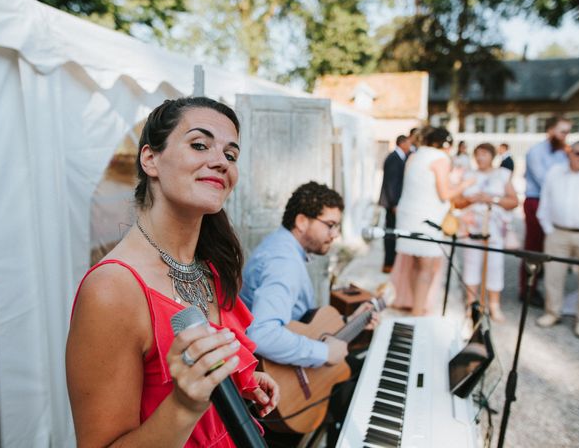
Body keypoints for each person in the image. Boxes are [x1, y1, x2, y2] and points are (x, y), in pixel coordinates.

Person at [66, 97, 279, 448]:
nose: (220, 162)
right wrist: (184, 404)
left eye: (231, 154)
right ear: (150, 159)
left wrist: (243, 379)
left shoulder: (210, 266)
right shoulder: (112, 290)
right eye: (200, 144)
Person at [240, 181, 379, 447]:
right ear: (302, 221)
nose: (335, 234)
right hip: (280, 387)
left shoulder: (284, 249)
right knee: (361, 380)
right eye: (330, 224)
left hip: (288, 375)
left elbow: (303, 324)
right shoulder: (284, 264)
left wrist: (352, 323)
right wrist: (325, 353)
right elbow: (262, 334)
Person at [391, 127, 475, 315]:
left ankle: (415, 305)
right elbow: (444, 194)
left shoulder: (415, 155)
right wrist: (465, 184)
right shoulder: (440, 159)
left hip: (408, 215)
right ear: (446, 145)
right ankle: (417, 311)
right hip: (427, 219)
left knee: (414, 263)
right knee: (426, 269)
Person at [536, 140, 579, 339]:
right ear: (570, 152)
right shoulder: (555, 171)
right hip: (557, 232)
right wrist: (548, 229)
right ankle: (553, 312)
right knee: (553, 276)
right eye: (578, 153)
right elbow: (545, 202)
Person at [458, 143, 518, 322]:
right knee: (471, 265)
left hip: (494, 229)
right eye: (477, 154)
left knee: (494, 266)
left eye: (484, 154)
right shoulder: (469, 175)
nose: (480, 158)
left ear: (492, 156)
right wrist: (469, 200)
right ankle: (471, 304)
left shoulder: (502, 175)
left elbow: (514, 201)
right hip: (473, 228)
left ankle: (494, 305)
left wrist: (492, 199)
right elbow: (457, 201)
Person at [519, 116, 570, 306]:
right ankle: (527, 289)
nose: (565, 136)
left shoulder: (563, 152)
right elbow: (545, 181)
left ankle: (545, 287)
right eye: (562, 131)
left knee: (552, 246)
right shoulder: (536, 152)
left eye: (567, 132)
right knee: (534, 246)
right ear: (550, 130)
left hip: (557, 203)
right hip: (537, 201)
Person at [378, 135, 412, 273]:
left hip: (394, 203)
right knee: (390, 233)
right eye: (408, 143)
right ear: (402, 143)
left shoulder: (400, 157)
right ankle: (388, 263)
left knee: (393, 233)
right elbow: (391, 184)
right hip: (392, 204)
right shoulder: (394, 158)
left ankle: (392, 262)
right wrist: (394, 204)